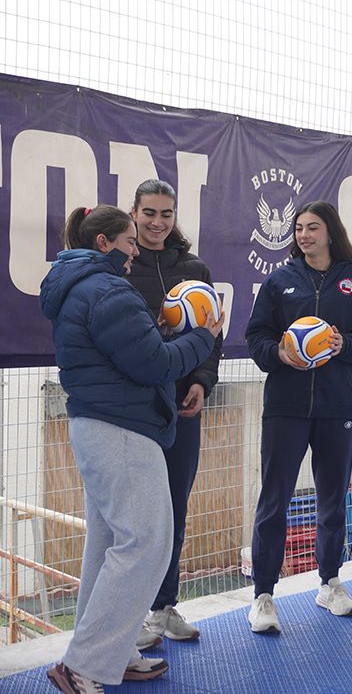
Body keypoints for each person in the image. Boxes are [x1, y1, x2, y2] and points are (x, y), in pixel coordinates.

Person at [40, 205, 223, 693]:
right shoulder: (107, 290)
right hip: (120, 429)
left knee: (109, 546)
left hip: (103, 425)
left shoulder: (85, 287)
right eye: (129, 242)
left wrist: (159, 333)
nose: (135, 251)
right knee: (146, 542)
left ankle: (110, 652)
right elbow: (154, 365)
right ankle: (84, 665)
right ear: (104, 244)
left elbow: (131, 354)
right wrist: (202, 337)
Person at [245, 201, 352, 633]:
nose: (304, 235)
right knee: (274, 501)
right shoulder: (280, 280)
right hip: (285, 407)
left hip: (337, 407)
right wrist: (279, 353)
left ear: (330, 232)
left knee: (333, 500)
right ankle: (264, 596)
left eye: (313, 227)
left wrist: (345, 346)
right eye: (299, 228)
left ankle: (330, 584)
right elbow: (256, 337)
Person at [127, 179, 223, 646]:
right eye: (149, 213)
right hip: (136, 408)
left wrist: (202, 382)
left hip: (183, 407)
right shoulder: (123, 266)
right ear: (134, 213)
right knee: (137, 516)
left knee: (174, 508)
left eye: (166, 214)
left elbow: (212, 333)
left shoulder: (194, 268)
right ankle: (131, 614)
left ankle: (163, 608)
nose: (157, 222)